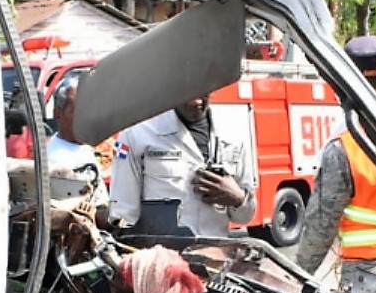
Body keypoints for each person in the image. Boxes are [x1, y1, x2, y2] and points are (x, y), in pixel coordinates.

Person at [296, 35, 376, 293]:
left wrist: (298, 278)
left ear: (344, 87)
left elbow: (320, 226)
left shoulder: (344, 145)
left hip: (372, 280)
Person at [108, 92, 256, 237]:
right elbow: (123, 214)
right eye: (189, 93)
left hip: (215, 254)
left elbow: (245, 217)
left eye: (203, 92)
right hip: (163, 256)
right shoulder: (136, 134)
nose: (196, 102)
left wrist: (238, 199)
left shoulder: (233, 134)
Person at [47, 76, 110, 211]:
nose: (84, 118)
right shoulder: (52, 158)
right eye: (75, 111)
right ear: (58, 114)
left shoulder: (85, 149)